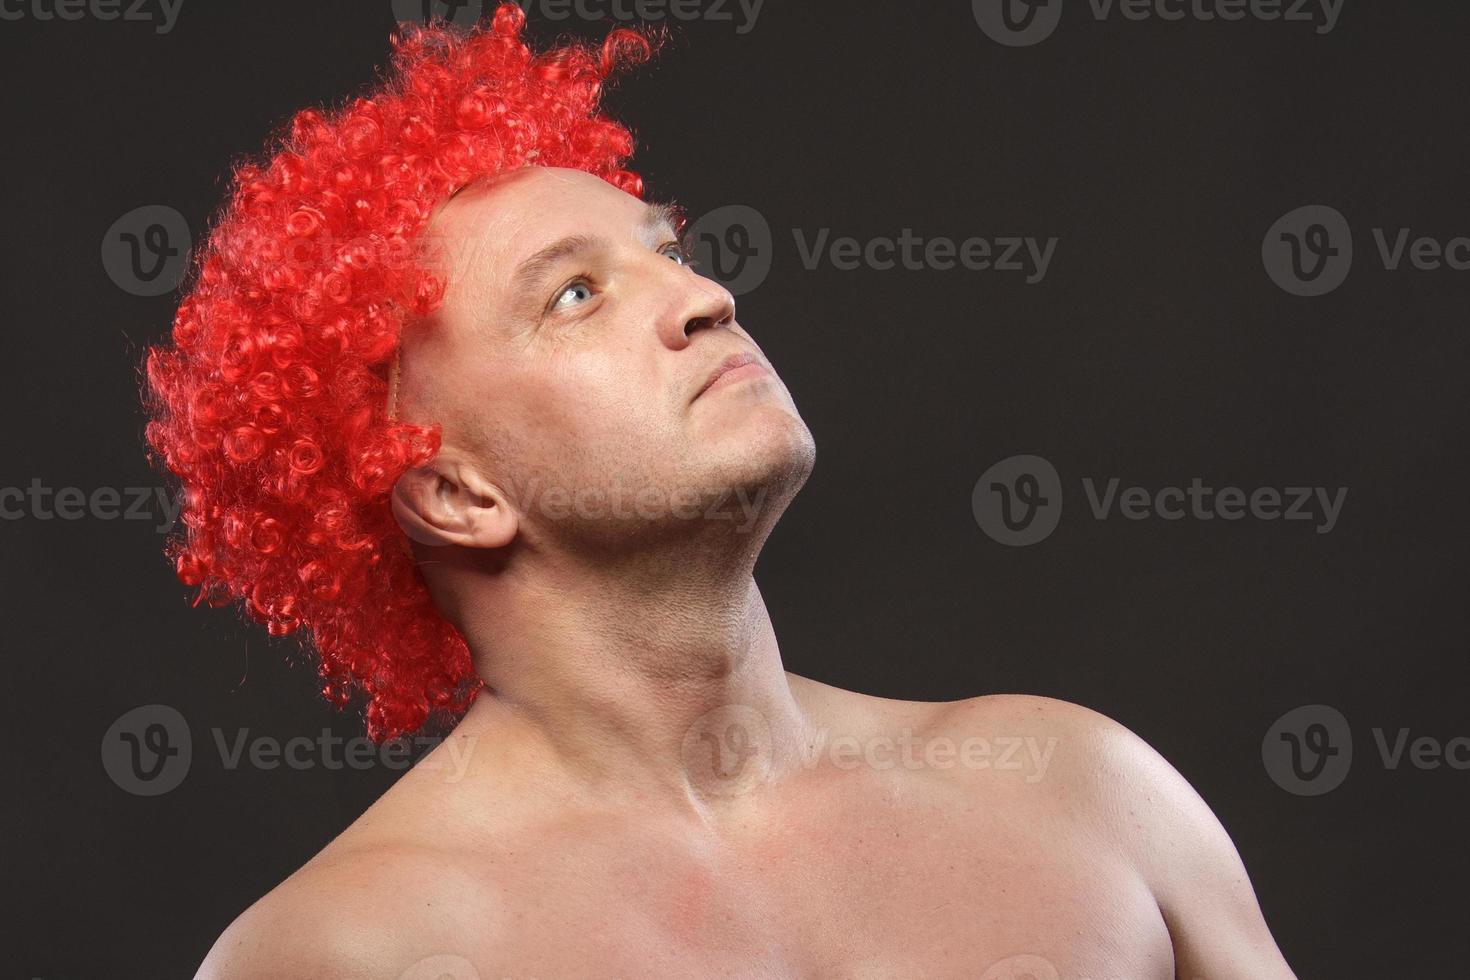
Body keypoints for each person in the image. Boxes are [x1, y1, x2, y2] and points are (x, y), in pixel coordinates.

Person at [145, 6, 1297, 977]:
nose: (704, 297)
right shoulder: (345, 950)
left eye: (666, 248)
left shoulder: (1085, 792)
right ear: (453, 490)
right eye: (576, 296)